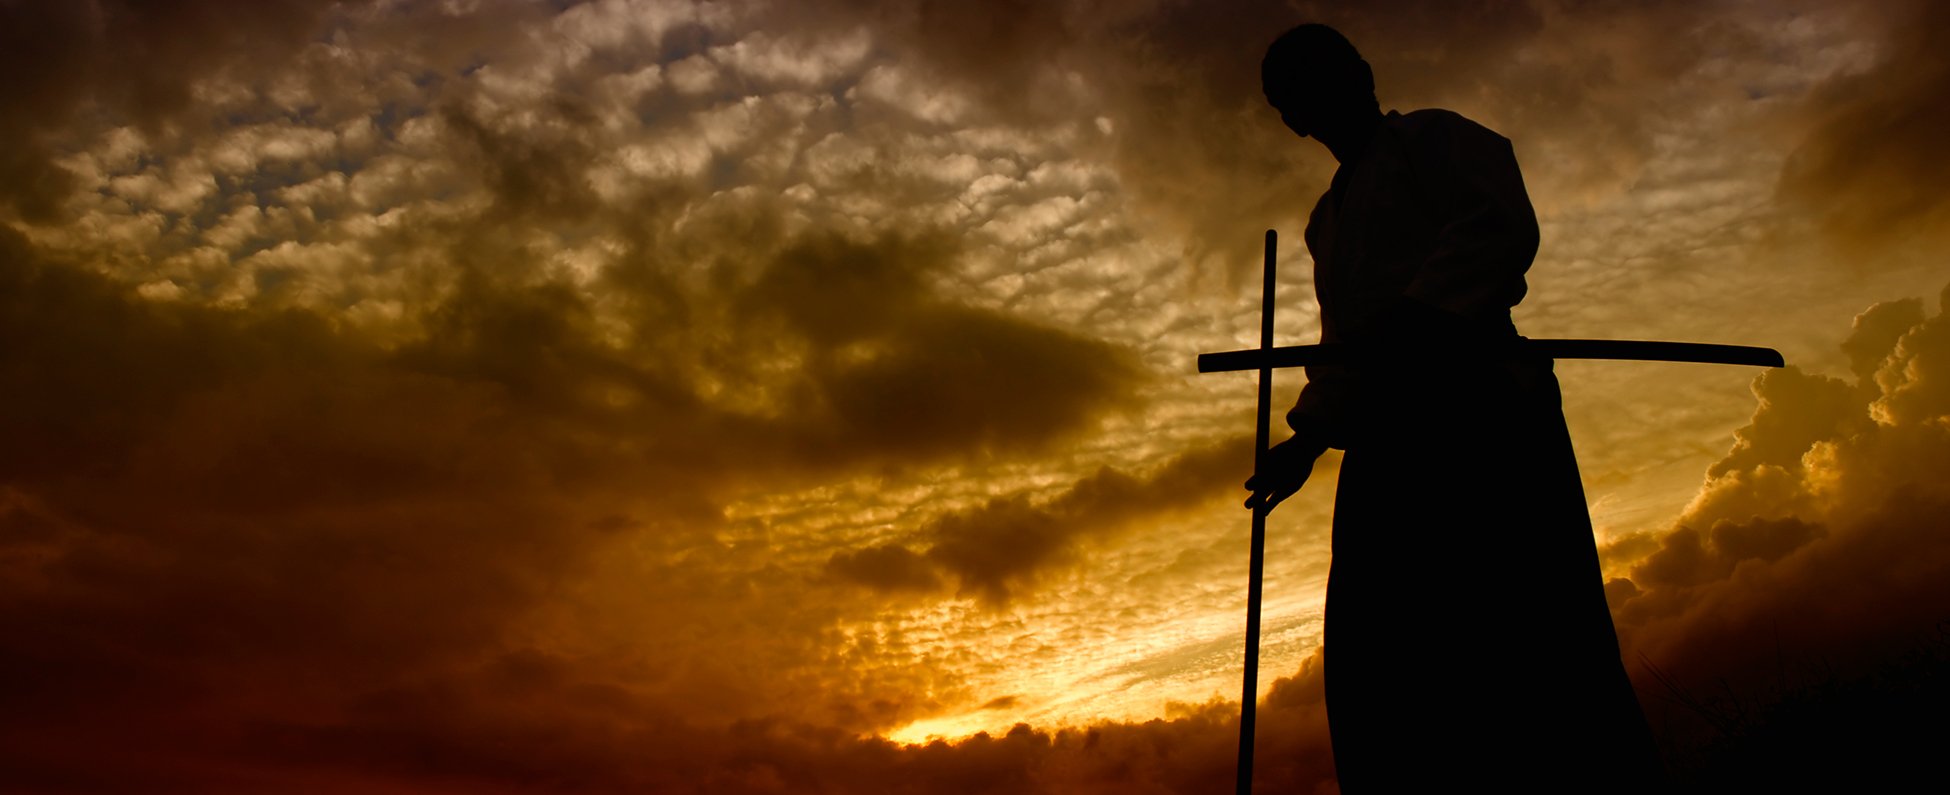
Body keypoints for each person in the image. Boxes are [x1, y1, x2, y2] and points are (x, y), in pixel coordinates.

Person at [1245, 24, 1666, 792]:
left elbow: (1497, 226)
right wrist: (1304, 440)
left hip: (1481, 413)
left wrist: (1419, 315)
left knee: (1525, 627)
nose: (1310, 104)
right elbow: (1341, 348)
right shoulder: (1326, 221)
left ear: (1363, 73)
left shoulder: (1438, 142)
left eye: (1321, 78)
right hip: (1388, 443)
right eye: (1292, 98)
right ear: (1293, 119)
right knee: (1387, 654)